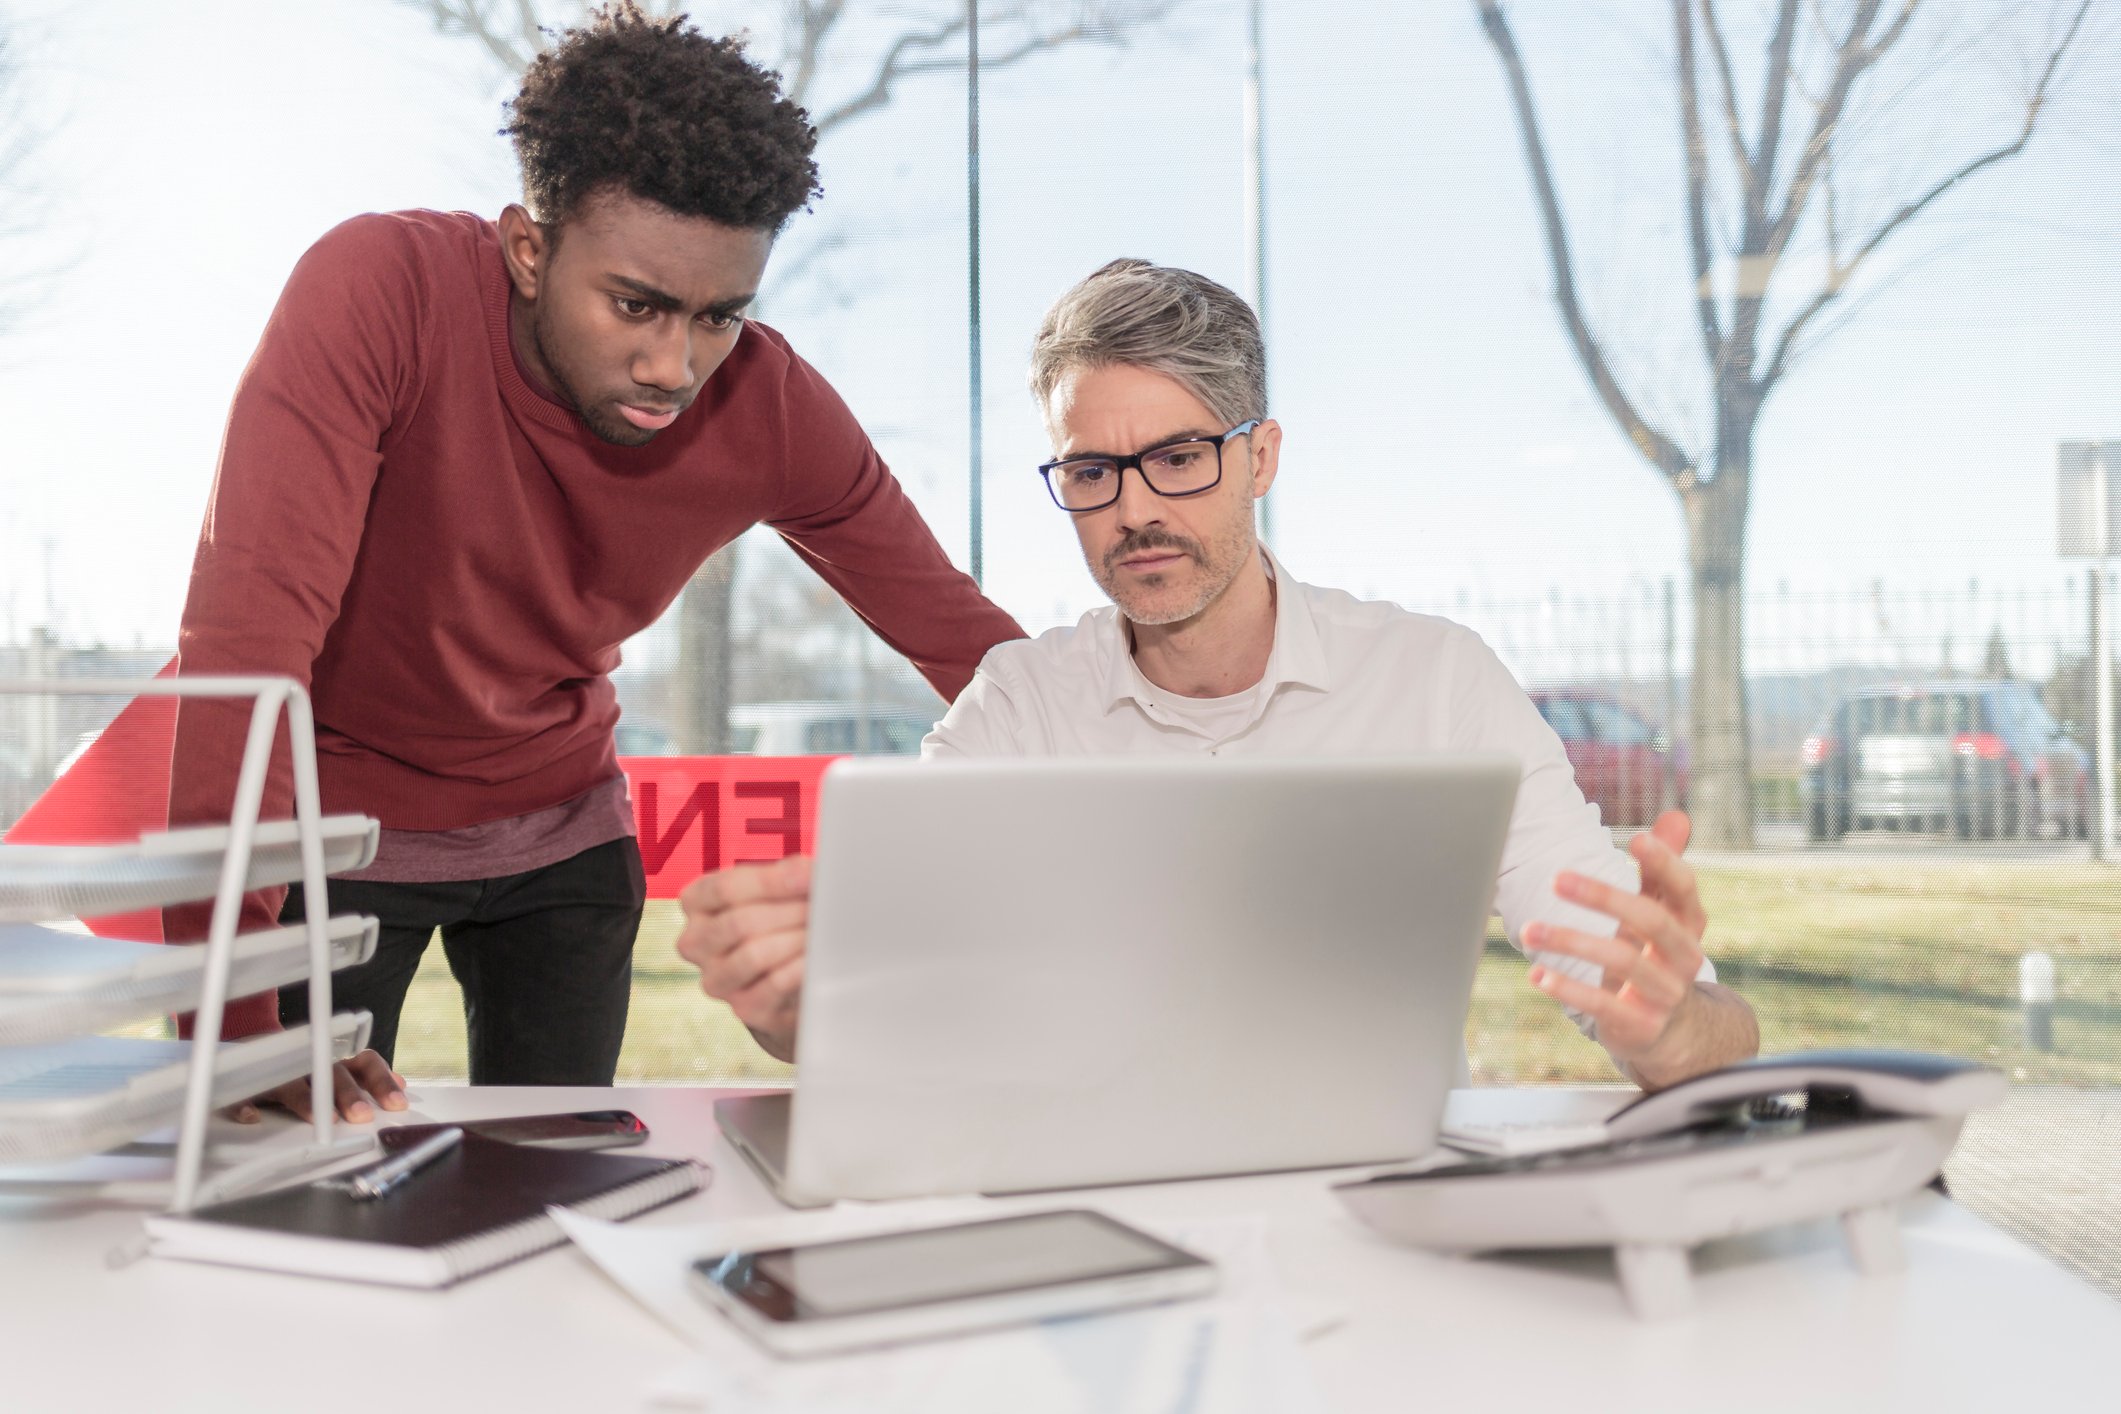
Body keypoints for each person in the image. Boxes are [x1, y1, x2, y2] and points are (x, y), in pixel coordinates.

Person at [166, 4, 1023, 1122]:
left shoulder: (769, 405)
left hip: (562, 827)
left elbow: (964, 639)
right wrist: (230, 1037)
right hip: (337, 830)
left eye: (719, 315)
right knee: (301, 1174)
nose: (676, 365)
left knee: (564, 1175)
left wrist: (1149, 820)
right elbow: (247, 648)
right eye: (637, 304)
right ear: (529, 248)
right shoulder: (378, 291)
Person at [675, 258, 1759, 1090]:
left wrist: (1666, 1026)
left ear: (1261, 458)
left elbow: (1703, 1033)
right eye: (1093, 471)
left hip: (1374, 1222)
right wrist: (789, 1001)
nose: (1136, 509)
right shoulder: (1016, 709)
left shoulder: (1435, 682)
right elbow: (869, 1008)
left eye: (1181, 458)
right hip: (1088, 1214)